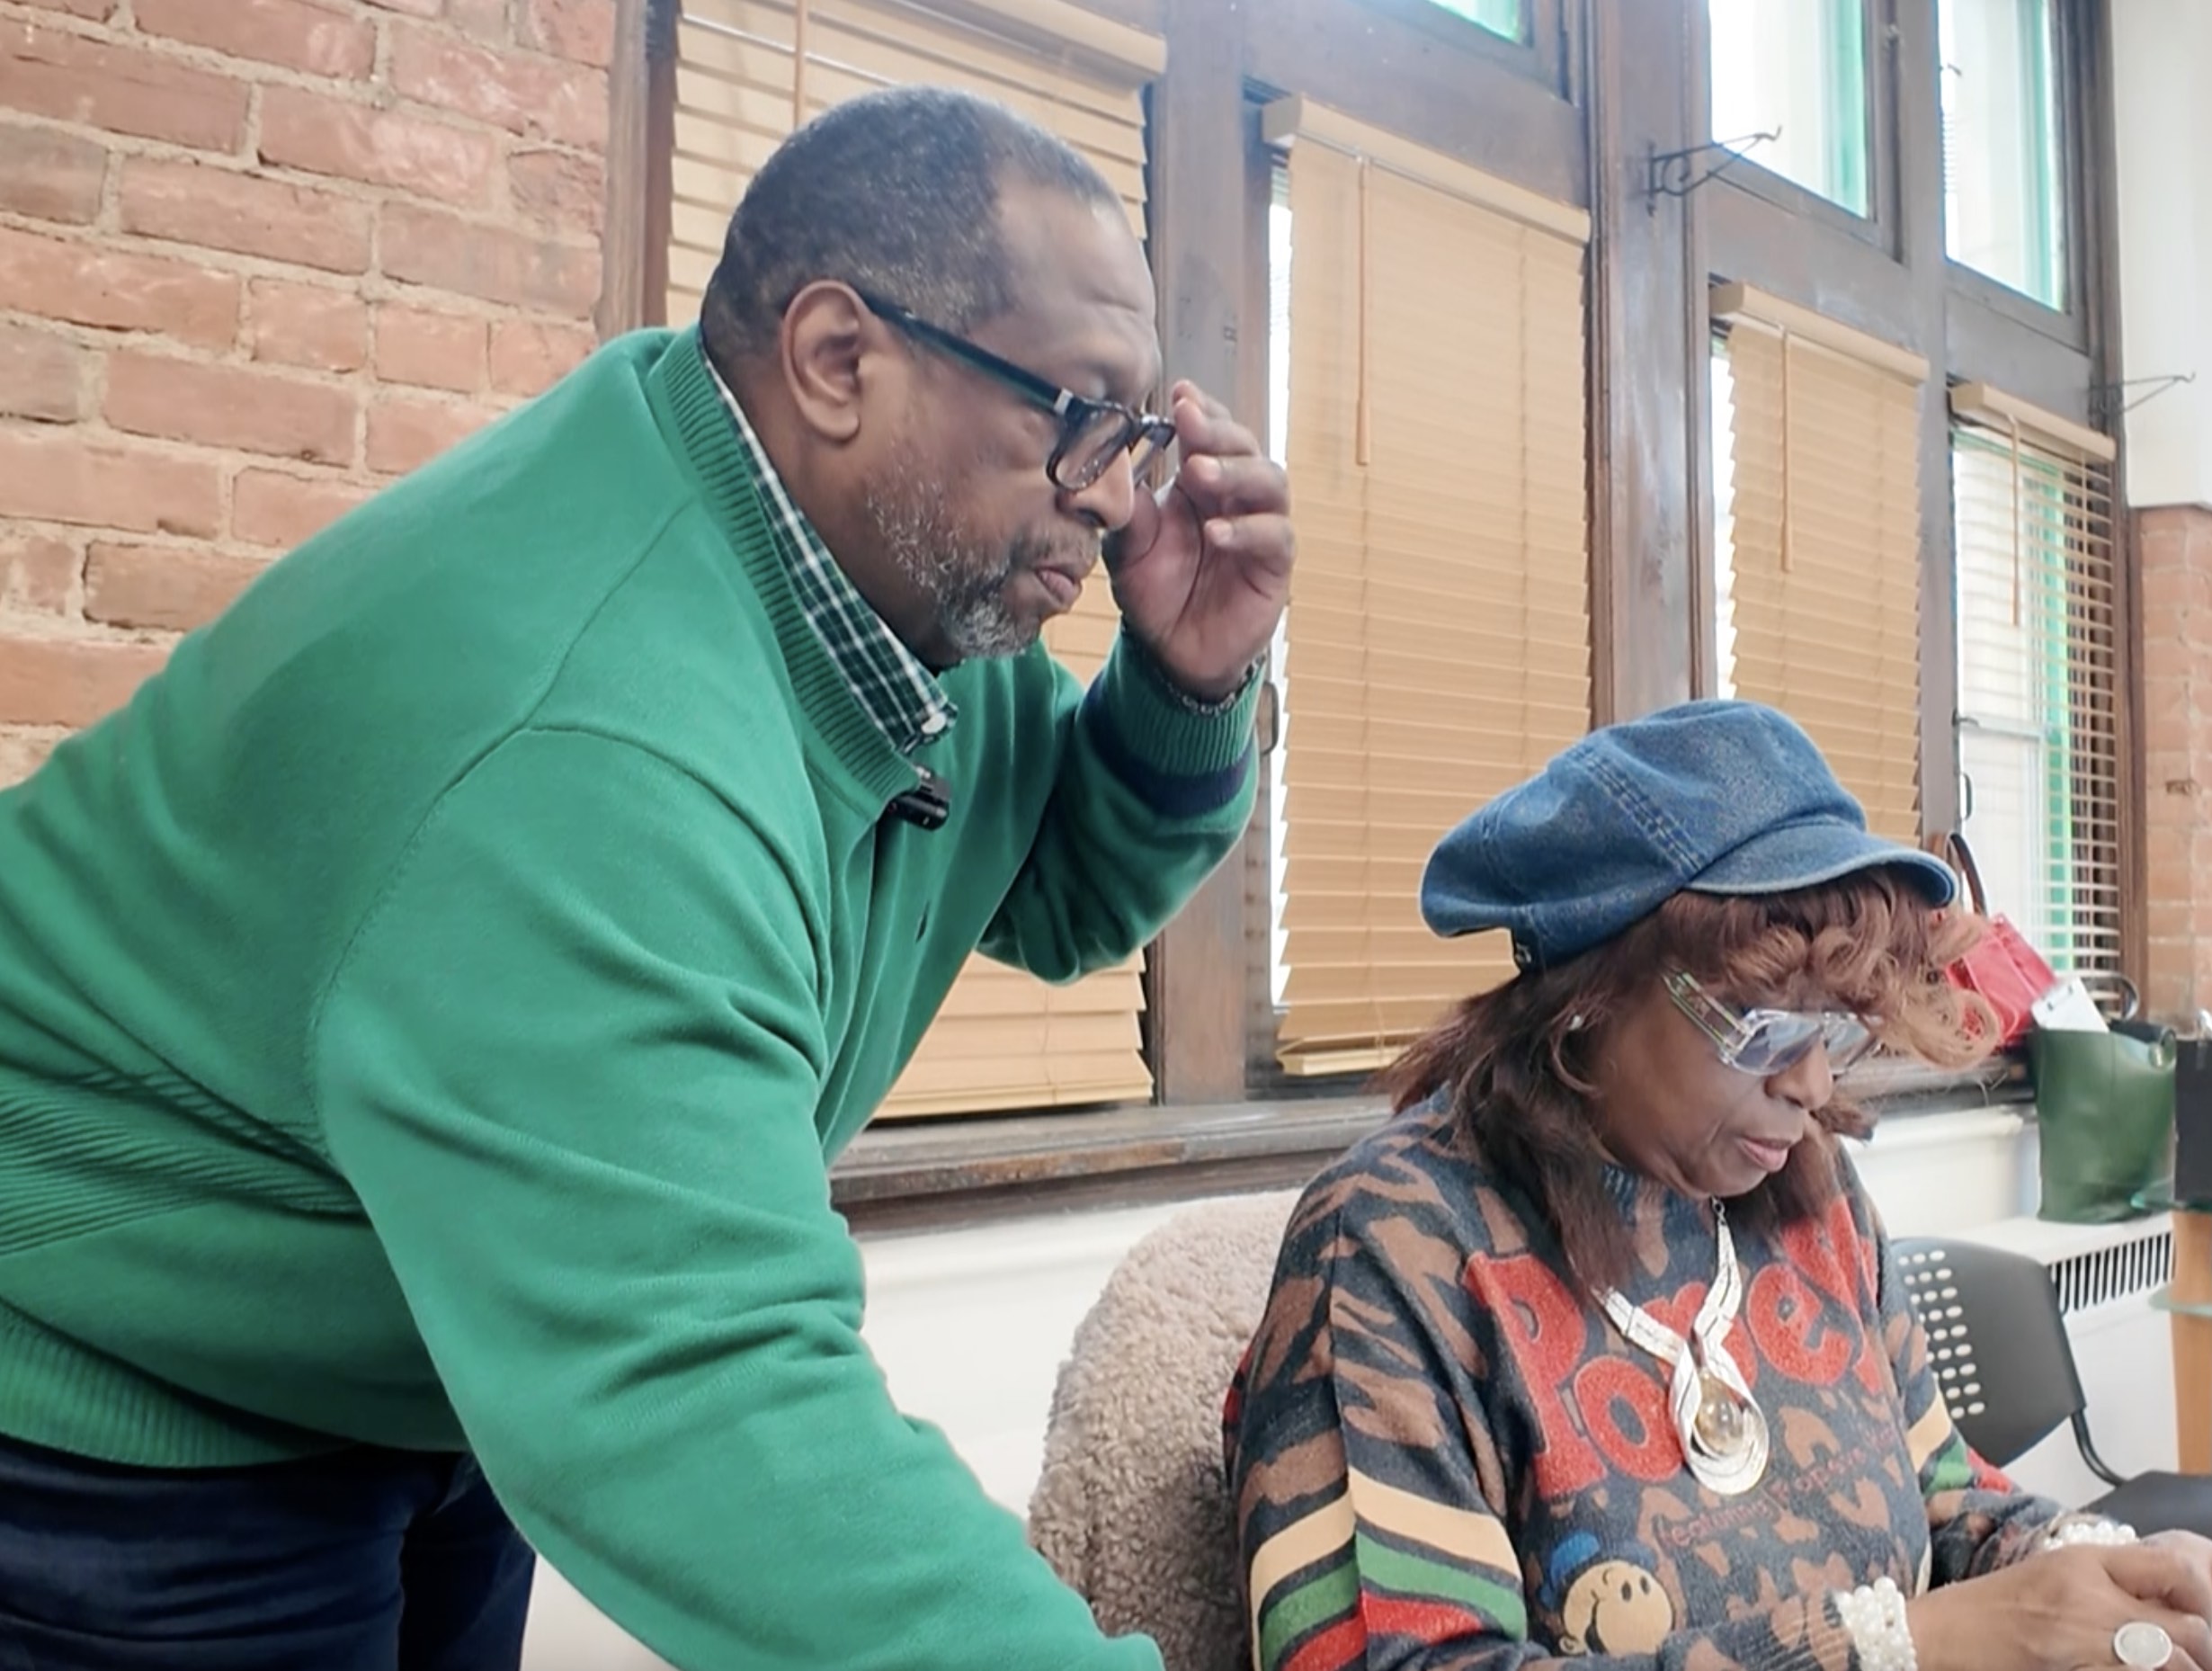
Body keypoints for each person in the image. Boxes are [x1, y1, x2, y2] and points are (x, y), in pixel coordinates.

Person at [0, 88, 1285, 1670]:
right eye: (1075, 415)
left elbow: (1062, 896)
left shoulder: (906, 602)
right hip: (114, 1407)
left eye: (1138, 429)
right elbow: (708, 1398)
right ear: (835, 359)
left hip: (424, 1345)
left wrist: (1184, 687)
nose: (1111, 491)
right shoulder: (583, 722)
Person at [1228, 701, 2212, 1671]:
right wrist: (1898, 1646)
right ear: (1585, 1008)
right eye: (1764, 1024)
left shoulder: (1804, 1195)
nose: (1812, 1080)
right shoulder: (1394, 1247)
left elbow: (1951, 1506)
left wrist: (2126, 1570)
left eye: (1837, 1022)